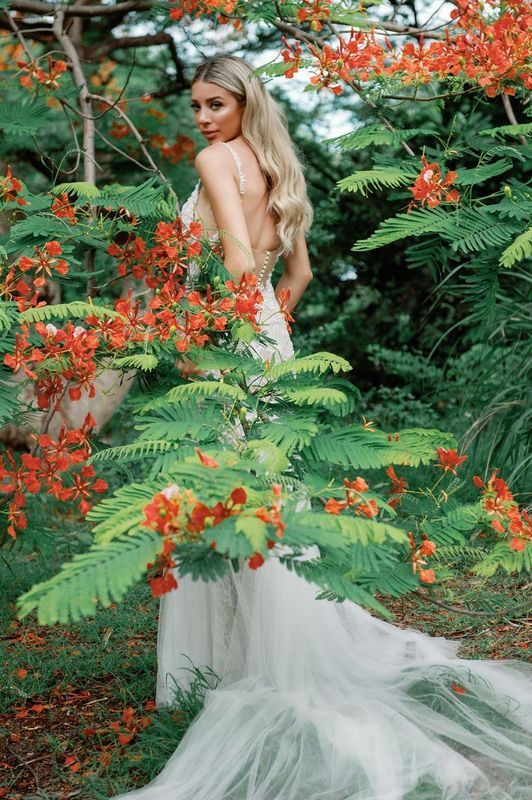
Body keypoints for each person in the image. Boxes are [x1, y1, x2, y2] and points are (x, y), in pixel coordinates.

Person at [113, 55, 531, 800]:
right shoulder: (280, 172)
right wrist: (267, 331)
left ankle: (216, 669)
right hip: (270, 341)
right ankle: (263, 653)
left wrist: (213, 335)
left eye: (215, 104)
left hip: (230, 342)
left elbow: (235, 258)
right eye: (196, 105)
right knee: (268, 498)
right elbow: (296, 275)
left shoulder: (215, 163)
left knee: (219, 493)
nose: (202, 119)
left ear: (244, 103)